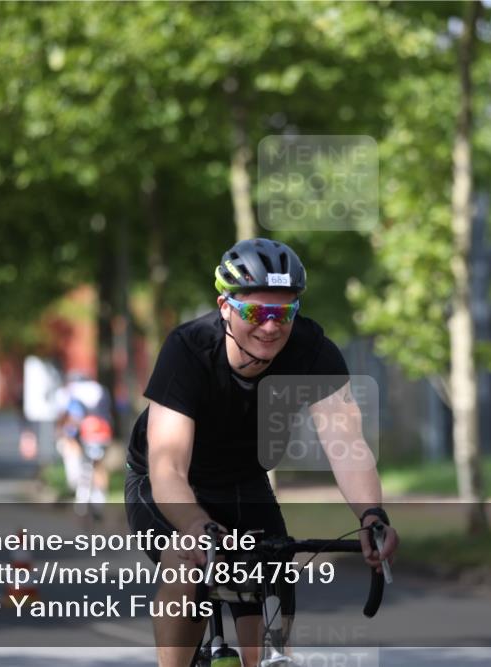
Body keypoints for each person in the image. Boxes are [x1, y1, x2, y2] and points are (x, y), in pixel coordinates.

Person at [124, 238, 399, 667]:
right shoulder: (188, 350)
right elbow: (168, 468)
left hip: (243, 480)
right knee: (187, 563)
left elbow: (347, 445)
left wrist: (371, 515)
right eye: (256, 312)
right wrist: (196, 524)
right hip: (167, 483)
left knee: (273, 578)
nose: (271, 327)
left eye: (284, 312)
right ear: (224, 306)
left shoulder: (312, 352)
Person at [54, 371, 113, 518]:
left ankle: (83, 498)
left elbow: (72, 416)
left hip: (84, 432)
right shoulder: (100, 389)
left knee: (82, 464)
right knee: (99, 465)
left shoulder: (72, 391)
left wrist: (65, 433)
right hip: (102, 430)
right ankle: (98, 498)